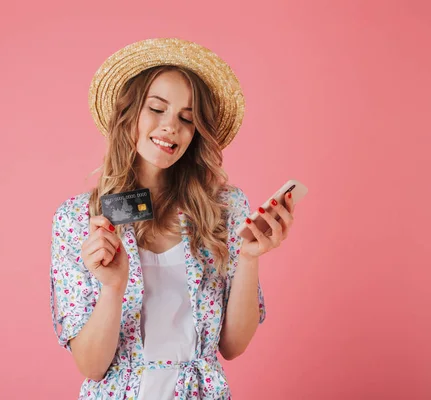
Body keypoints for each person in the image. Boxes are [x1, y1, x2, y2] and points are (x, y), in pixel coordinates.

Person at [50, 38, 296, 400]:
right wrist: (113, 287)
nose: (171, 127)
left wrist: (248, 258)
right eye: (157, 108)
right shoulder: (78, 219)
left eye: (186, 118)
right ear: (128, 112)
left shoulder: (223, 209)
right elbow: (92, 366)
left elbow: (232, 346)